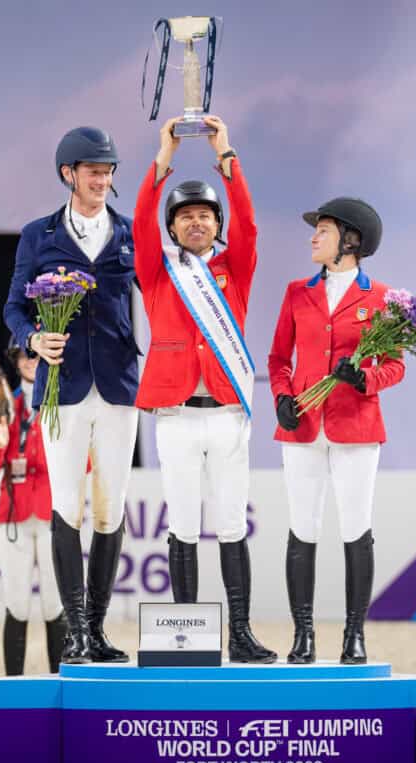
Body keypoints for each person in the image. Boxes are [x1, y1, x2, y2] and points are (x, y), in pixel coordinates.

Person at [132, 115, 275, 663]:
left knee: (233, 523)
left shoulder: (235, 269)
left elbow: (253, 226)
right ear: (173, 227)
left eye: (206, 215)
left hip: (225, 413)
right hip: (176, 416)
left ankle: (240, 633)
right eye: (186, 216)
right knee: (183, 524)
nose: (196, 222)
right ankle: (185, 637)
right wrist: (162, 159)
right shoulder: (157, 271)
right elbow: (142, 219)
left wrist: (227, 155)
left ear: (217, 225)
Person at [3, 127, 139, 664]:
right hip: (61, 388)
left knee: (111, 510)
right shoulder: (37, 235)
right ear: (69, 175)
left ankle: (99, 630)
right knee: (68, 507)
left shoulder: (129, 232)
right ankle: (77, 634)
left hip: (119, 386)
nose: (103, 180)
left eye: (108, 171)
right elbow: (13, 306)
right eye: (93, 172)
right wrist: (34, 338)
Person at [268, 198, 406, 665]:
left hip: (356, 426)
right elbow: (277, 359)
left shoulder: (382, 297)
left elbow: (394, 367)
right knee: (302, 528)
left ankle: (354, 635)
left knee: (355, 528)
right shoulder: (295, 292)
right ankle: (303, 634)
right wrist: (283, 398)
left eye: (323, 230)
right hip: (303, 426)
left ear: (351, 242)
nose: (313, 237)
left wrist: (363, 379)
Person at [0, 345, 65, 675]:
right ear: (16, 362)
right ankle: (13, 684)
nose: (31, 362)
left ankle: (60, 681)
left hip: (51, 515)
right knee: (16, 603)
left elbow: (82, 463)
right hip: (13, 517)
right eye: (25, 356)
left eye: (36, 356)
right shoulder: (5, 408)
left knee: (53, 604)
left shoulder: (61, 406)